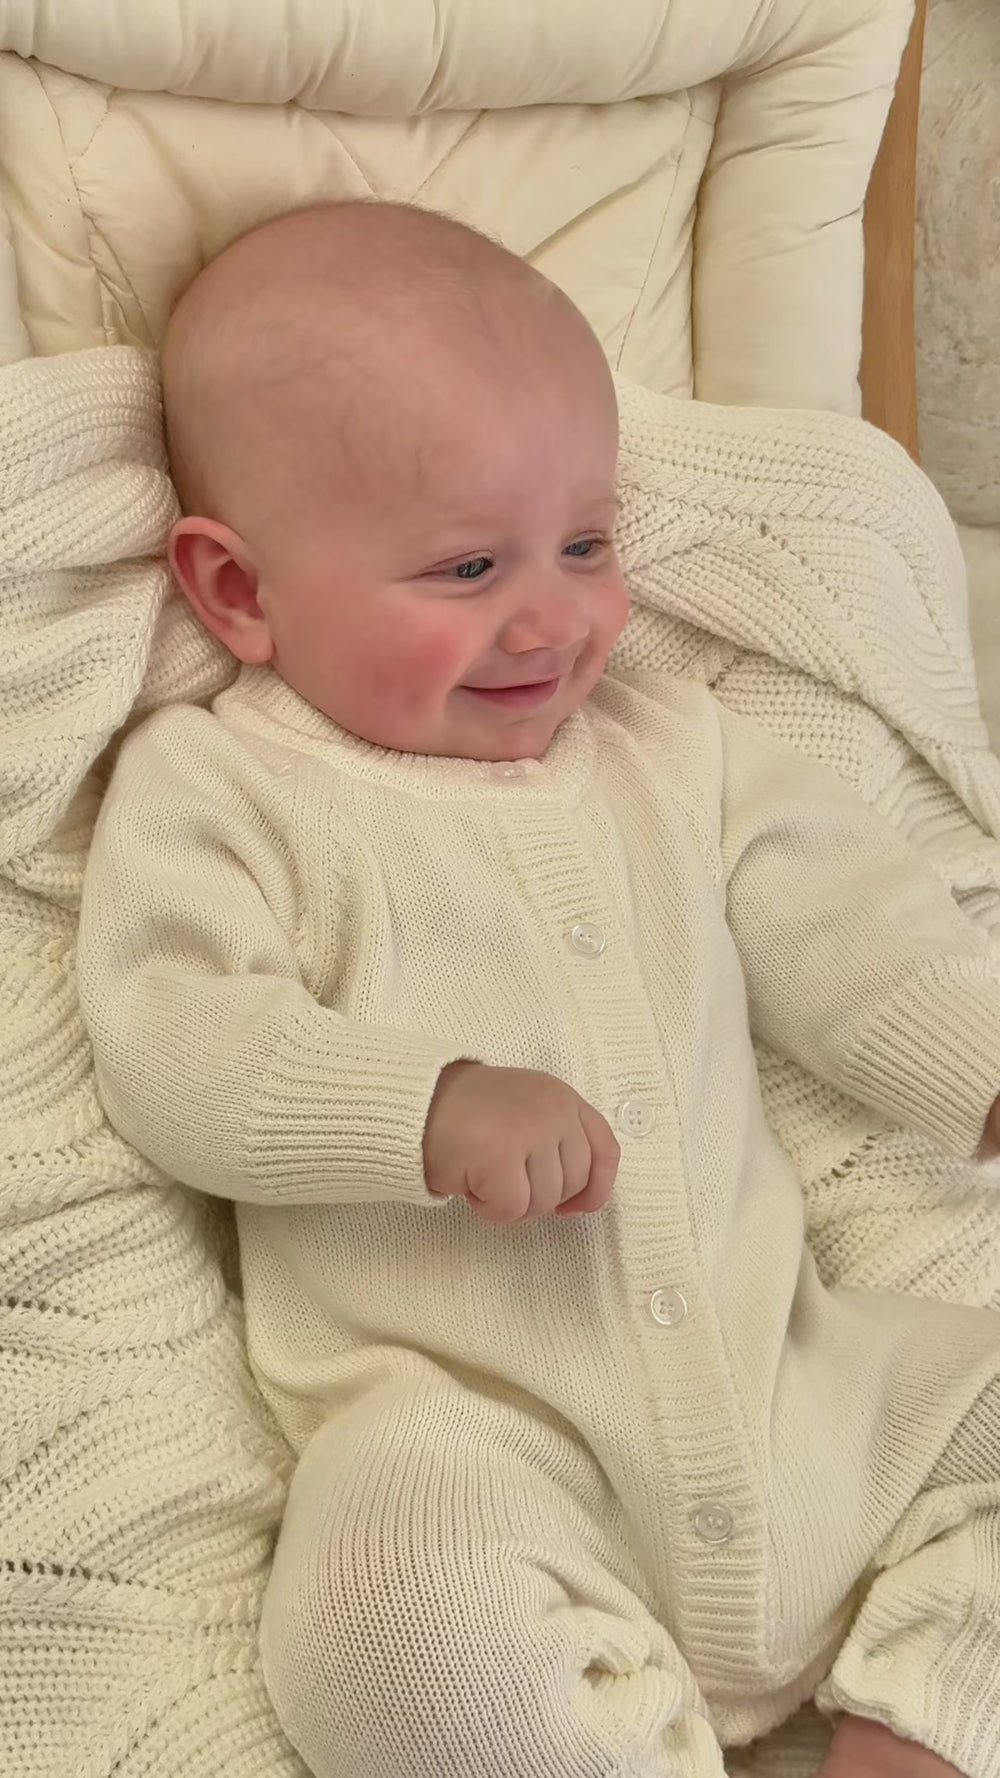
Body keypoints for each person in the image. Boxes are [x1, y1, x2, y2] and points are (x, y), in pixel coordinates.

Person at [77, 201, 1000, 1778]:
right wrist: (421, 1107)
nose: (555, 617)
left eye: (587, 543)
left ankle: (925, 1707)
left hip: (804, 1393)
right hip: (482, 1439)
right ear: (239, 591)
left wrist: (976, 1062)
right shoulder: (220, 787)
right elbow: (175, 1040)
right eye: (466, 565)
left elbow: (852, 915)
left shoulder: (673, 744)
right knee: (373, 1610)